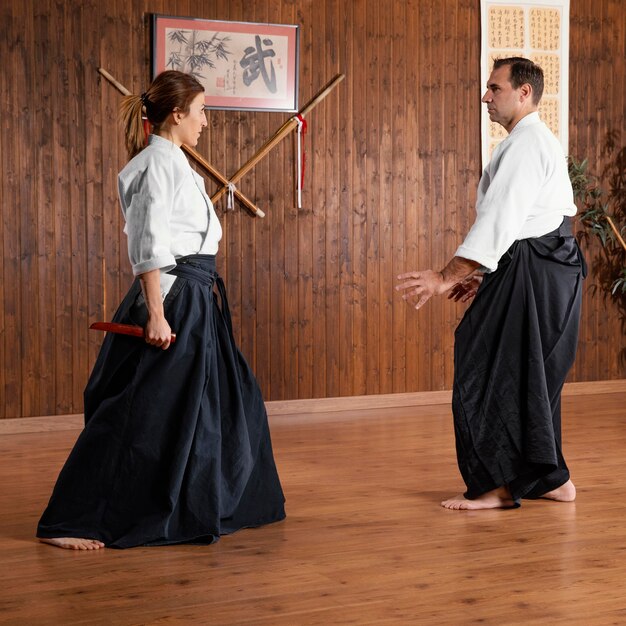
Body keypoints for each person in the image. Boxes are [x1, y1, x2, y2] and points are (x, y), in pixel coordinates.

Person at [37, 70, 285, 549]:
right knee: (139, 413)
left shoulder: (177, 164)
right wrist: (156, 313)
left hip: (194, 297)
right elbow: (148, 243)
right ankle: (70, 521)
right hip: (172, 298)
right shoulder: (155, 164)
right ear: (178, 114)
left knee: (218, 407)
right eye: (202, 111)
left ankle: (191, 504)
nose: (206, 122)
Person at [396, 57, 586, 510]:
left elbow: (501, 222)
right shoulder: (531, 140)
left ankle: (499, 486)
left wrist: (445, 278)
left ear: (524, 93)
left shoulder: (526, 144)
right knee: (531, 376)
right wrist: (484, 273)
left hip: (535, 269)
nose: (485, 97)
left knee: (491, 366)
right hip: (543, 267)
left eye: (494, 88)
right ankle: (549, 477)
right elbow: (521, 223)